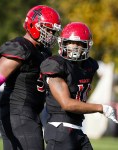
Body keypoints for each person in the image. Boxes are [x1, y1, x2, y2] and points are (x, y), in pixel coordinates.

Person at [0, 5, 61, 150]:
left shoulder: (43, 51)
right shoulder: (20, 47)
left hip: (28, 112)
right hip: (18, 111)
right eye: (48, 29)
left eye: (53, 31)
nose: (51, 34)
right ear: (33, 25)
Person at [40, 22, 118, 150]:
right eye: (70, 42)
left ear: (87, 45)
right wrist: (101, 108)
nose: (74, 47)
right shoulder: (56, 65)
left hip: (77, 129)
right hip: (60, 128)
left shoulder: (89, 66)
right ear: (63, 43)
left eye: (79, 43)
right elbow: (67, 104)